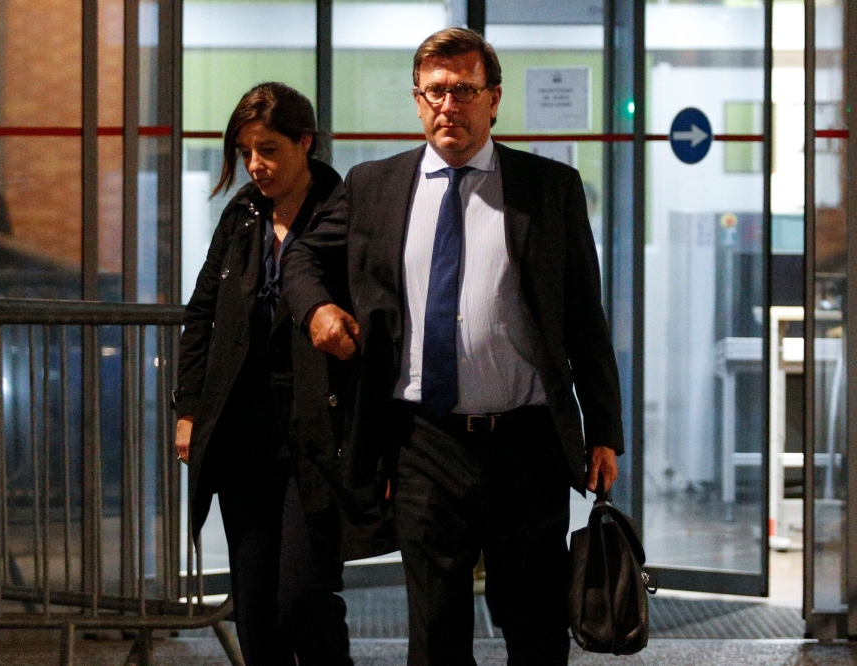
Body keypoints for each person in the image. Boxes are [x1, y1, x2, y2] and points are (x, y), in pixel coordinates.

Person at [281, 28, 624, 665]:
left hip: (527, 441)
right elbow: (301, 255)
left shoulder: (549, 189)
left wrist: (604, 426)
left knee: (535, 624)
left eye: (464, 90)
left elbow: (584, 315)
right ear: (417, 101)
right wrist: (317, 309)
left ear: (494, 100)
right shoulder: (374, 187)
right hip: (423, 441)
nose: (449, 105)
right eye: (436, 91)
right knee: (436, 632)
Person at [172, 82, 354, 666]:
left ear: (306, 142)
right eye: (246, 151)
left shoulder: (346, 212)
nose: (256, 165)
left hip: (315, 430)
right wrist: (189, 409)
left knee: (302, 597)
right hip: (243, 431)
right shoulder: (243, 214)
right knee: (253, 603)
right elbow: (202, 313)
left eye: (269, 149)